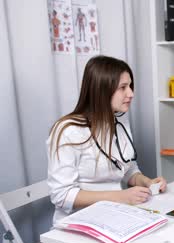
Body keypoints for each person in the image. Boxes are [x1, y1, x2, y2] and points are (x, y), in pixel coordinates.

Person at [47, 56, 166, 223]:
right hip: (79, 223)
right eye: (123, 87)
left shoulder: (119, 120)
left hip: (115, 215)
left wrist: (147, 182)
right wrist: (120, 196)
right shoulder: (68, 130)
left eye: (130, 86)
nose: (131, 93)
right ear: (101, 90)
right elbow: (62, 195)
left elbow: (127, 168)